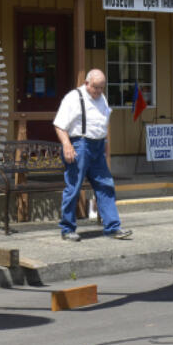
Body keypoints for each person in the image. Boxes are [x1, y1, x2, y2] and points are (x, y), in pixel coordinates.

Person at [52, 69, 133, 241]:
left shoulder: (101, 98)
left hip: (97, 146)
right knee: (73, 187)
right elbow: (59, 125)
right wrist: (67, 145)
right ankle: (67, 229)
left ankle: (112, 227)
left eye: (102, 88)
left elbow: (102, 126)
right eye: (95, 87)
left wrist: (105, 148)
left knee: (106, 185)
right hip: (79, 145)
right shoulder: (73, 97)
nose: (98, 91)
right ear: (87, 83)